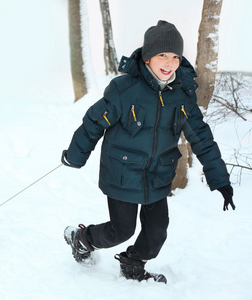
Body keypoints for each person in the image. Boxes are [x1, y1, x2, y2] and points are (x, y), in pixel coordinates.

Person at [61, 20, 235, 283]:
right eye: (162, 55)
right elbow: (94, 123)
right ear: (147, 57)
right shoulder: (125, 90)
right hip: (122, 173)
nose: (169, 62)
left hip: (157, 175)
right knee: (121, 230)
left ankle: (133, 263)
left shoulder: (182, 95)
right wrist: (75, 155)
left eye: (175, 56)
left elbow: (202, 138)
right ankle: (82, 240)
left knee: (156, 234)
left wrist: (219, 179)